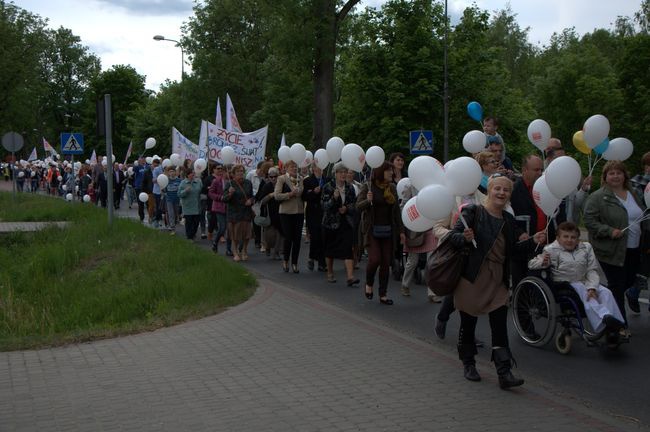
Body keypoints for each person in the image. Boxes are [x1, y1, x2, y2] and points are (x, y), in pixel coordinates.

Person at [447, 174, 546, 388]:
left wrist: (532, 242)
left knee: (499, 325)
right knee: (469, 322)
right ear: (489, 191)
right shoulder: (472, 212)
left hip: (497, 279)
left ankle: (504, 372)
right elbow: (452, 239)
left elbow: (512, 250)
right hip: (472, 277)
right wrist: (463, 237)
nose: (501, 193)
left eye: (506, 190)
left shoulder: (509, 220)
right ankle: (468, 363)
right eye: (497, 189)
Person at [528, 222, 625, 340]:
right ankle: (605, 318)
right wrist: (542, 262)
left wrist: (592, 287)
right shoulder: (550, 249)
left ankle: (617, 327)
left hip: (585, 280)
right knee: (584, 292)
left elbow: (592, 270)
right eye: (565, 237)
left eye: (573, 237)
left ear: (578, 239)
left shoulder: (586, 247)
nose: (569, 240)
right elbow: (531, 264)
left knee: (606, 292)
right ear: (558, 238)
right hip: (563, 283)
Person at [584, 161, 647, 333]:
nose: (615, 176)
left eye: (619, 173)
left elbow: (641, 215)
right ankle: (619, 326)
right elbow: (589, 221)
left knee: (628, 281)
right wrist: (609, 230)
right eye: (611, 173)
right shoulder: (598, 197)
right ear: (605, 177)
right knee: (618, 286)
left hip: (634, 248)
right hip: (610, 250)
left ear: (624, 175)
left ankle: (602, 296)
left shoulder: (632, 193)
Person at [510, 154, 566, 287]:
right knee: (523, 286)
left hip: (547, 246)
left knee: (545, 285)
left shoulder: (549, 188)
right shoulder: (513, 191)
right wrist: (519, 233)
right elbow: (506, 218)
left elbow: (559, 214)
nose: (540, 173)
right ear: (524, 170)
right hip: (524, 248)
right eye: (536, 170)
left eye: (541, 169)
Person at [357, 161, 404, 305]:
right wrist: (367, 200)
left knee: (385, 263)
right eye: (388, 170)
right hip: (372, 230)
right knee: (375, 260)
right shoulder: (368, 186)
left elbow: (396, 212)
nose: (392, 172)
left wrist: (401, 231)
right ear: (380, 172)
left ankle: (383, 294)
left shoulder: (392, 188)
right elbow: (358, 206)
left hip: (388, 230)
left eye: (392, 170)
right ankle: (369, 283)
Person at [321, 162, 359, 285]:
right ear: (335, 174)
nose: (344, 174)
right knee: (330, 249)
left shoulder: (350, 187)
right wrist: (334, 199)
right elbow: (324, 206)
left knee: (348, 248)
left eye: (345, 172)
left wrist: (346, 209)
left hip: (346, 222)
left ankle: (350, 276)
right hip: (331, 223)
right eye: (341, 172)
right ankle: (330, 272)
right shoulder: (328, 187)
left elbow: (354, 205)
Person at [544, 138, 591, 224]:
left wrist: (583, 189)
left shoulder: (570, 172)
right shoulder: (541, 172)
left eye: (554, 148)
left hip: (567, 226)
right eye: (548, 149)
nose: (550, 151)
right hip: (547, 225)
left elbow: (575, 204)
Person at [274, 160, 304, 273]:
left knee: (297, 239)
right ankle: (285, 260)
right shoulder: (282, 179)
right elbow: (277, 196)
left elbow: (301, 192)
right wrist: (289, 194)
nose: (294, 169)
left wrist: (299, 190)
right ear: (286, 168)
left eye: (295, 167)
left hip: (299, 212)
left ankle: (295, 263)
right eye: (292, 167)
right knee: (289, 237)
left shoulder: (300, 178)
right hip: (286, 212)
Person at [224, 164, 255, 261]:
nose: (241, 173)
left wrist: (251, 200)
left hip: (246, 212)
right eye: (238, 171)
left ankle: (244, 250)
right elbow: (224, 199)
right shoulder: (229, 184)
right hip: (234, 212)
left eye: (242, 171)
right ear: (233, 174)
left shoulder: (248, 183)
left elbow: (252, 196)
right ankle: (235, 252)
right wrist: (230, 193)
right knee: (235, 235)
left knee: (247, 234)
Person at [302, 163, 326, 272]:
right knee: (315, 236)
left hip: (324, 212)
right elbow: (304, 197)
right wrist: (313, 192)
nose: (320, 169)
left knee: (323, 237)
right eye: (317, 167)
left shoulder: (327, 179)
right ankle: (312, 257)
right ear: (313, 168)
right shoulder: (307, 181)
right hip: (313, 213)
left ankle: (321, 262)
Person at [256, 167, 283, 260]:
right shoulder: (266, 186)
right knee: (269, 235)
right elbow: (262, 201)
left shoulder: (282, 185)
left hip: (280, 211)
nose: (273, 178)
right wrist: (270, 195)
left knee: (280, 233)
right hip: (269, 213)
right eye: (271, 177)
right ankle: (267, 246)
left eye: (275, 176)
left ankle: (276, 252)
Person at [208, 164, 228, 253]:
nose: (228, 173)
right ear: (223, 172)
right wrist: (220, 197)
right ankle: (215, 242)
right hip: (219, 207)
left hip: (229, 207)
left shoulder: (232, 182)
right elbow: (211, 193)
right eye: (227, 171)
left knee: (229, 228)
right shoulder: (216, 181)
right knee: (222, 227)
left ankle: (229, 249)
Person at [178, 167, 202, 240]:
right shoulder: (183, 183)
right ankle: (189, 237)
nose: (193, 174)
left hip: (197, 206)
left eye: (193, 173)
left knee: (196, 223)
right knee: (189, 223)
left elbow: (201, 190)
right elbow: (179, 194)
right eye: (192, 173)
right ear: (187, 175)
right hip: (188, 207)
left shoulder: (198, 182)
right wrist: (185, 191)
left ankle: (193, 234)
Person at [165, 166, 182, 234]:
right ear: (168, 173)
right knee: (171, 213)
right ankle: (172, 228)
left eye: (173, 171)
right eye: (170, 172)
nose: (171, 173)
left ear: (175, 172)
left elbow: (181, 189)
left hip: (177, 199)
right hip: (169, 199)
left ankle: (174, 223)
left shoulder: (179, 180)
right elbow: (164, 190)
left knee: (176, 213)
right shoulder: (166, 180)